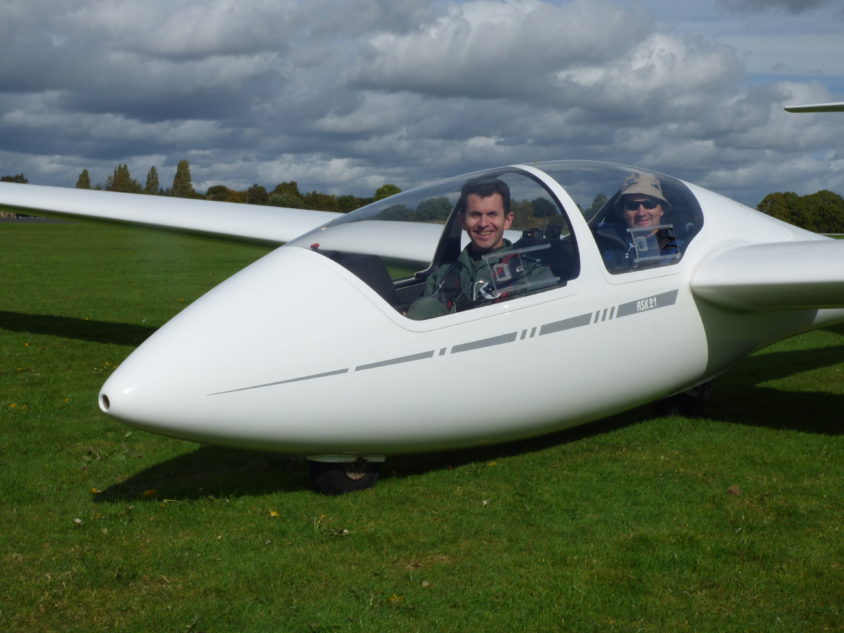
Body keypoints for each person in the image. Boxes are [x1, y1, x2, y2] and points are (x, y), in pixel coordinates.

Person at [406, 177, 556, 320]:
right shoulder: (442, 276)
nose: (483, 223)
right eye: (475, 215)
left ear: (507, 220)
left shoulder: (533, 275)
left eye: (492, 214)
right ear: (462, 221)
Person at [596, 172, 681, 272]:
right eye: (632, 205)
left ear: (661, 209)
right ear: (623, 212)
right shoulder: (605, 242)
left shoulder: (676, 247)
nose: (641, 213)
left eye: (649, 204)